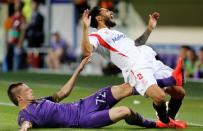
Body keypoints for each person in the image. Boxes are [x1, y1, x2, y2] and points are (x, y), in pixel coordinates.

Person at [7, 57, 177, 131]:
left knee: (124, 87)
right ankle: (157, 125)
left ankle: (169, 80)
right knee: (126, 111)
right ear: (20, 97)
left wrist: (78, 70)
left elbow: (62, 93)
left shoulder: (38, 101)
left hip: (84, 104)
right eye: (27, 89)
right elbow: (25, 125)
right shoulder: (25, 115)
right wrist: (24, 129)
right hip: (83, 120)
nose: (31, 90)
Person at [81, 7, 186, 127]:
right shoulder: (95, 36)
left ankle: (169, 117)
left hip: (149, 59)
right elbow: (86, 51)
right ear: (98, 18)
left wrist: (149, 28)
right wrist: (85, 28)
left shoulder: (116, 33)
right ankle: (165, 121)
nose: (111, 12)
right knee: (160, 97)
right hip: (136, 67)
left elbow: (137, 44)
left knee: (179, 92)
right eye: (106, 11)